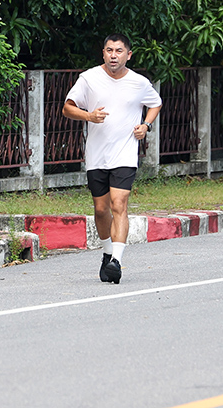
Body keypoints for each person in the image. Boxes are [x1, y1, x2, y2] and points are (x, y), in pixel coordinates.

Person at [63, 34, 162, 284]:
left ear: (129, 55)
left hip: (125, 154)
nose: (113, 55)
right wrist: (88, 116)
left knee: (119, 205)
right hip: (97, 155)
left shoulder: (139, 82)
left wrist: (146, 126)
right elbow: (67, 107)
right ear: (103, 53)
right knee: (100, 209)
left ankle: (116, 261)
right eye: (109, 50)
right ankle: (107, 254)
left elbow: (156, 103)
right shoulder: (89, 78)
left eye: (119, 51)